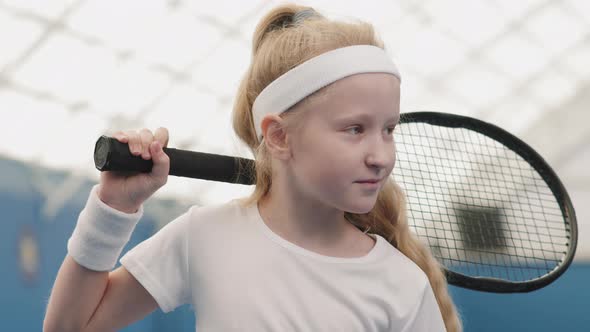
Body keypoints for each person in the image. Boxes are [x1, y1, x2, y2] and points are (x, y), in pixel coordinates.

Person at [43, 3, 462, 332]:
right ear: (279, 136)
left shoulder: (402, 285)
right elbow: (68, 326)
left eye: (389, 130)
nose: (381, 155)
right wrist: (113, 207)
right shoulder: (202, 236)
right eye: (355, 129)